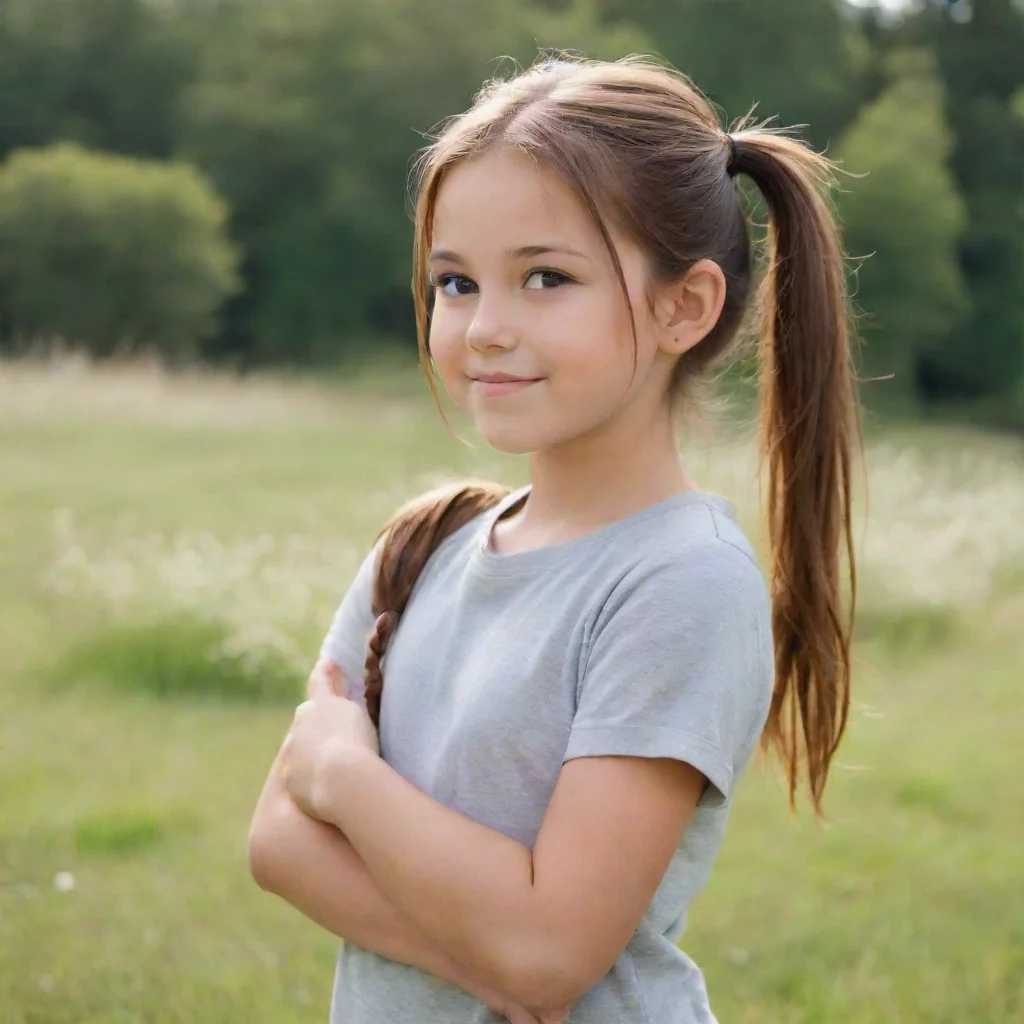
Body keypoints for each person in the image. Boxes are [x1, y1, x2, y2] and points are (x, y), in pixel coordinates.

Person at [248, 52, 860, 1024]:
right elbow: (277, 844)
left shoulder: (679, 580)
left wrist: (342, 772)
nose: (485, 326)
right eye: (455, 282)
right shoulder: (423, 546)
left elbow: (550, 947)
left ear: (683, 307)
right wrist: (494, 963)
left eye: (544, 277)